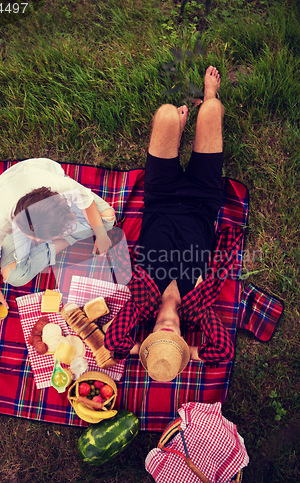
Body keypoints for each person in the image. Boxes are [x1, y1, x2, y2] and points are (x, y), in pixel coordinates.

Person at [104, 67, 243, 379]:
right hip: (203, 200)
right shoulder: (198, 310)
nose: (167, 330)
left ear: (150, 335)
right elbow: (222, 351)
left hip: (161, 196)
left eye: (159, 339)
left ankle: (177, 132)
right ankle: (209, 96)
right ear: (182, 340)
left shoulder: (141, 304)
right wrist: (189, 354)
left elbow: (113, 342)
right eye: (174, 340)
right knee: (210, 110)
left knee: (166, 114)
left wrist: (141, 349)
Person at [0, 158, 116, 318]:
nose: (43, 240)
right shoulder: (1, 221)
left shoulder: (62, 186)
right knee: (14, 276)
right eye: (39, 238)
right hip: (14, 197)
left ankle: (61, 241)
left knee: (107, 219)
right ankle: (65, 240)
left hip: (46, 188)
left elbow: (87, 202)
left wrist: (100, 235)